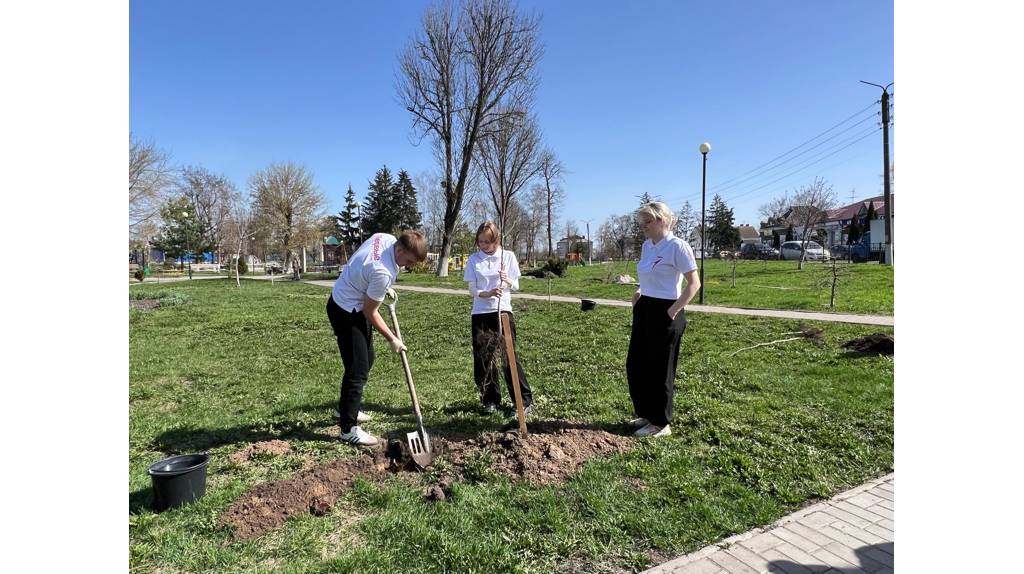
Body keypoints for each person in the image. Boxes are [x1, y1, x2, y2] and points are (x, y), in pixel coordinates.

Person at [327, 230, 428, 446]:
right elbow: (370, 312)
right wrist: (392, 338)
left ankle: (345, 408)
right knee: (358, 369)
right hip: (347, 310)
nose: (409, 266)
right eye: (408, 261)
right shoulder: (383, 272)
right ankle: (348, 428)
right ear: (399, 249)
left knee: (367, 358)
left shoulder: (385, 238)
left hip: (346, 296)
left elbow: (364, 261)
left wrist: (377, 287)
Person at [626, 202, 701, 438]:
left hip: (666, 309)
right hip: (645, 307)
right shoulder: (648, 246)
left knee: (660, 368)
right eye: (643, 222)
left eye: (648, 221)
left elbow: (694, 284)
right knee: (637, 364)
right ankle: (647, 414)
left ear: (662, 221)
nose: (644, 226)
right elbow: (649, 274)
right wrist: (640, 292)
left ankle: (661, 423)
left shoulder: (678, 247)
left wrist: (673, 310)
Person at [463, 221, 532, 416]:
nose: (483, 245)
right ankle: (490, 399)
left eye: (487, 242)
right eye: (480, 242)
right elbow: (472, 290)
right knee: (484, 359)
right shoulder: (474, 260)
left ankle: (523, 401)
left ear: (496, 240)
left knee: (509, 357)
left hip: (503, 312)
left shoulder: (508, 256)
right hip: (480, 313)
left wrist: (507, 279)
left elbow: (516, 285)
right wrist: (488, 293)